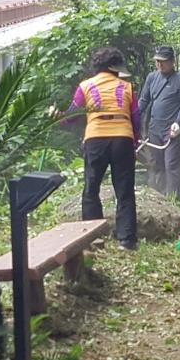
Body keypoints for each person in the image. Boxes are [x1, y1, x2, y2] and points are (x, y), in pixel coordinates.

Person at [67, 47, 140, 250]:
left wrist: (58, 118)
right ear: (115, 68)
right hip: (122, 138)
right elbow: (136, 118)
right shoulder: (127, 87)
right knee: (124, 190)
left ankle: (93, 239)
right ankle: (127, 240)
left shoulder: (85, 86)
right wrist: (135, 143)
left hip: (96, 138)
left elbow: (72, 115)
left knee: (91, 188)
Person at [139, 45, 180, 199]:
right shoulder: (152, 78)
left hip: (171, 130)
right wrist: (132, 116)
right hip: (154, 128)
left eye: (163, 61)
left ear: (172, 61)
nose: (160, 65)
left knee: (172, 165)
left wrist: (178, 123)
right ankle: (159, 197)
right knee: (157, 164)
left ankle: (173, 199)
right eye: (157, 61)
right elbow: (144, 100)